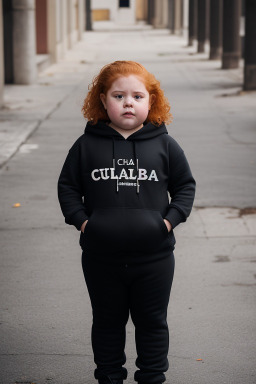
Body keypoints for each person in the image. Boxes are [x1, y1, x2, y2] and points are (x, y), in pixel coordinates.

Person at [58, 60, 196, 384]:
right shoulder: (85, 145)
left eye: (137, 96)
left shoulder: (165, 145)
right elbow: (67, 187)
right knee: (107, 322)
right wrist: (82, 223)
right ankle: (109, 377)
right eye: (119, 96)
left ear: (152, 101)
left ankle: (151, 378)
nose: (128, 103)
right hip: (100, 258)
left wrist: (168, 222)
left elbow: (185, 186)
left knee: (152, 323)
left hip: (155, 258)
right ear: (103, 100)